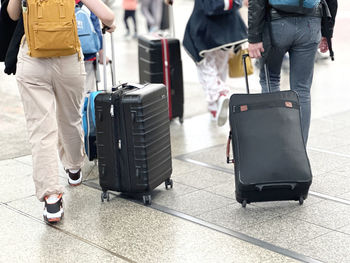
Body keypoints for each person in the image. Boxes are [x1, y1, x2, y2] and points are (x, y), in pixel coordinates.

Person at [6, 0, 115, 223]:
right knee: (71, 118)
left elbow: (13, 14)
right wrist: (109, 25)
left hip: (32, 60)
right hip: (68, 58)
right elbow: (108, 16)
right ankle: (74, 169)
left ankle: (52, 199)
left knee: (41, 130)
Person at [247, 0, 338, 144]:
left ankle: (274, 146)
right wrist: (327, 31)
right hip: (310, 23)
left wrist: (254, 37)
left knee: (270, 80)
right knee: (302, 89)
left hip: (276, 24)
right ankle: (298, 152)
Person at [166, 0, 247, 126]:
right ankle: (214, 106)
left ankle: (219, 94)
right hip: (229, 23)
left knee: (206, 65)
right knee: (220, 64)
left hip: (205, 23)